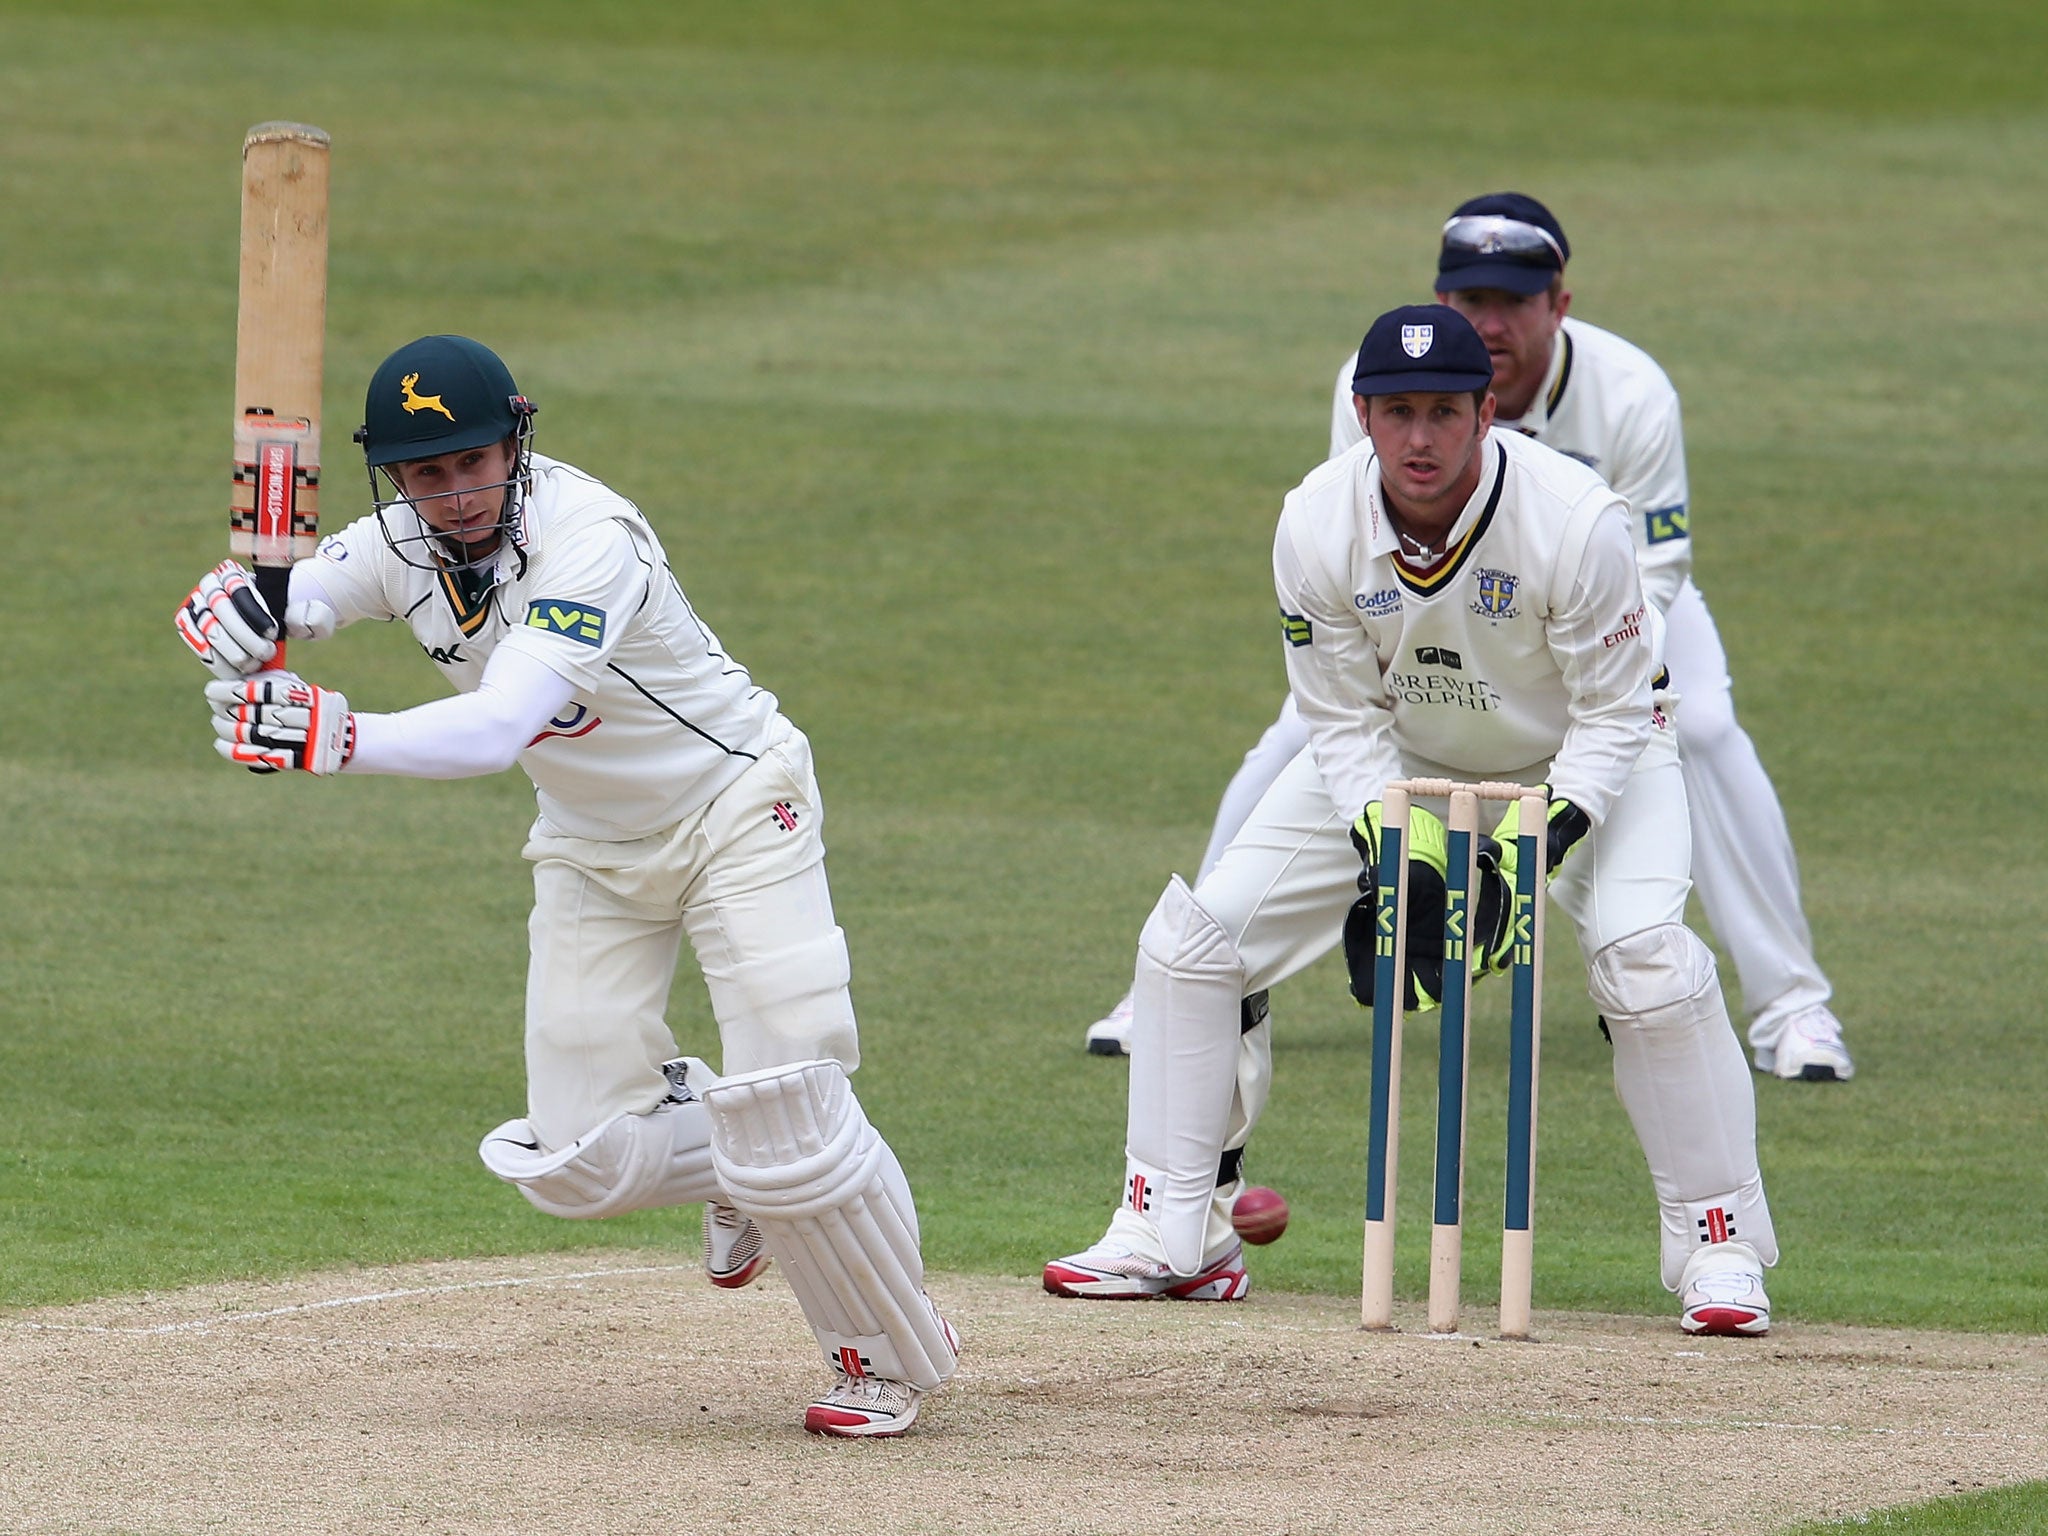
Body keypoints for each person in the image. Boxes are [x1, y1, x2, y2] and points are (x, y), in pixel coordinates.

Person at [175, 335, 957, 1437]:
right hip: (594, 840)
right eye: (424, 474)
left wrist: (334, 737)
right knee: (575, 1161)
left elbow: (500, 726)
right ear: (394, 478)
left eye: (473, 463)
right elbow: (297, 597)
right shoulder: (402, 540)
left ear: (517, 440)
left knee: (792, 1106)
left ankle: (880, 1358)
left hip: (737, 805)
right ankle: (735, 1155)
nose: (453, 495)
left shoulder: (593, 539)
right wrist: (237, 607)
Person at [1046, 305, 1778, 1336]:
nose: (1420, 439)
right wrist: (1400, 852)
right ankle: (1171, 1232)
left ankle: (1718, 1242)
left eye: (1443, 411)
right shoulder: (1312, 521)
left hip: (1589, 755)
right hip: (1409, 758)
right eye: (1397, 413)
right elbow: (1337, 717)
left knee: (1644, 961)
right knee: (1193, 944)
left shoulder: (1576, 519)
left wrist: (1546, 835)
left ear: (1488, 414)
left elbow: (1617, 711)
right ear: (1363, 415)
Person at [1084, 193, 1851, 1085]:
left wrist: (1549, 709)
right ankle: (1190, 980)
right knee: (1306, 734)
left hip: (1621, 608)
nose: (1490, 322)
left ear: (1558, 304)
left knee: (1705, 731)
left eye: (1512, 302)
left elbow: (1657, 568)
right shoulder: (1370, 383)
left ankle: (1793, 1008)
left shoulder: (1632, 391)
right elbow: (1369, 544)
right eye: (1469, 301)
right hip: (1439, 615)